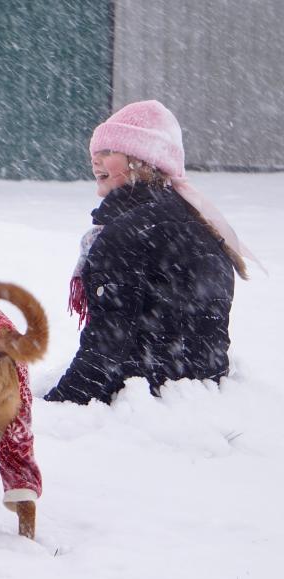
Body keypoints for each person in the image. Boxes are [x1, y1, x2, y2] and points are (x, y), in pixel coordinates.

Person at [45, 100, 260, 404]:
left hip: (144, 399)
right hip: (200, 397)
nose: (96, 161)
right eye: (95, 153)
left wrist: (61, 404)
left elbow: (109, 340)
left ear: (140, 160)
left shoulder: (128, 232)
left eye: (108, 152)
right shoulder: (198, 223)